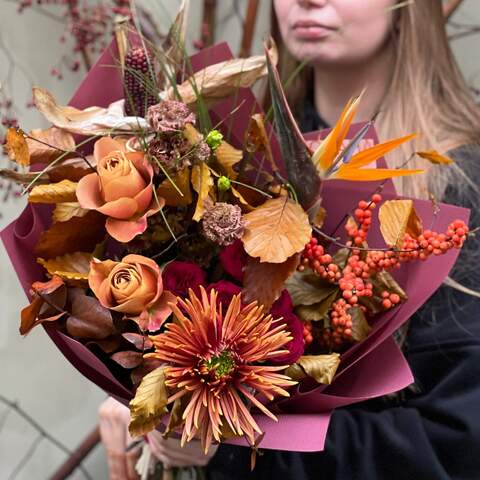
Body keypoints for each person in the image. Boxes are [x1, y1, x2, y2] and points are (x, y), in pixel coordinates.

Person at [99, 1, 480, 478]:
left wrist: (238, 442)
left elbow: (457, 444)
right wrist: (151, 395)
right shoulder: (229, 160)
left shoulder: (456, 186)